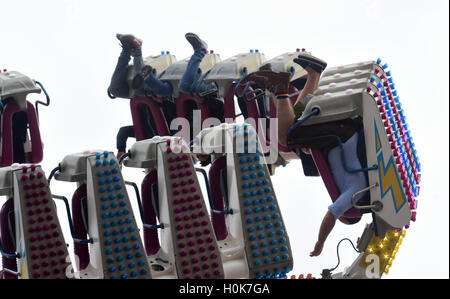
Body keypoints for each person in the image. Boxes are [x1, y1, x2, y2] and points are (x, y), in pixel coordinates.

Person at [240, 52, 367, 257]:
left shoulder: (361, 183)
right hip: (339, 135)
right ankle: (280, 87)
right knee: (286, 138)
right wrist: (320, 242)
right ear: (350, 214)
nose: (340, 211)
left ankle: (313, 74)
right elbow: (331, 215)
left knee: (296, 118)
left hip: (340, 134)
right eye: (344, 215)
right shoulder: (355, 194)